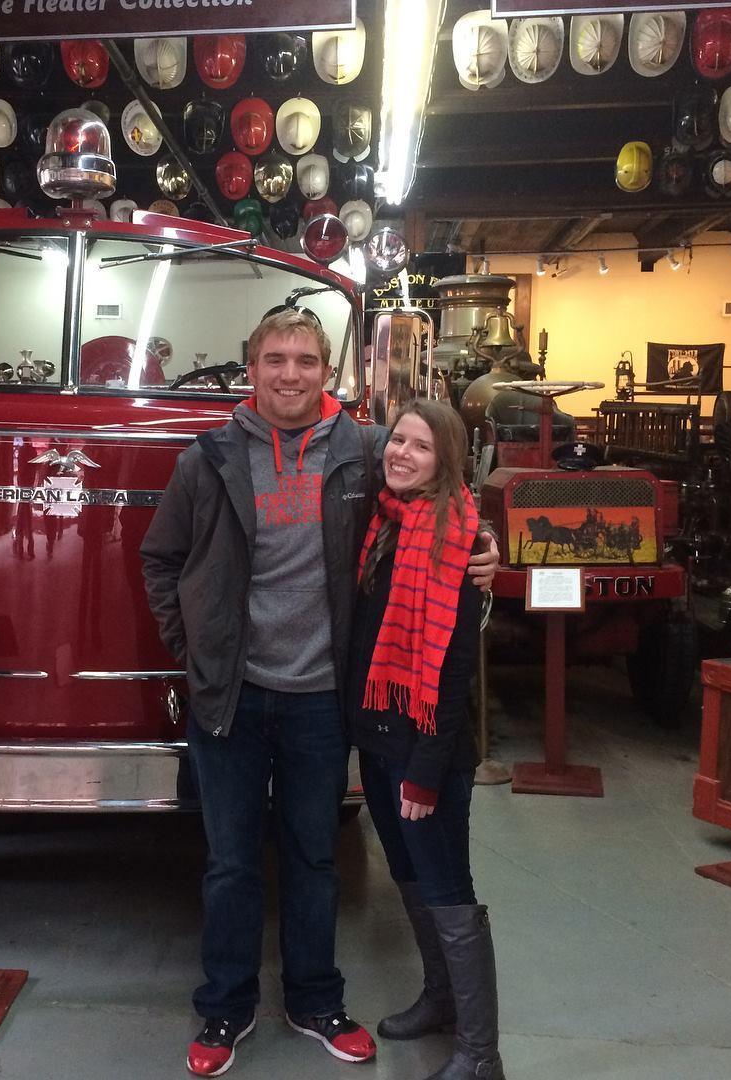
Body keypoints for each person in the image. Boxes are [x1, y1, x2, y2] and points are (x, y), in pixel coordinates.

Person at [141, 310, 498, 1077]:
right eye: (275, 358)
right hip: (232, 697)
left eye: (306, 359)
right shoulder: (207, 459)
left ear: (327, 370)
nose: (291, 374)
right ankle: (225, 1008)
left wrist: (483, 549)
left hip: (321, 701)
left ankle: (315, 1000)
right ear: (251, 367)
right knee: (232, 863)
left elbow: (435, 493)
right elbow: (160, 560)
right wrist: (195, 650)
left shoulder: (364, 450)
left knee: (313, 858)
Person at [347, 398, 504, 1080]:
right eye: (397, 441)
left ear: (447, 460)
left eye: (421, 446)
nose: (402, 453)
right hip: (380, 739)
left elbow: (455, 668)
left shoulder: (460, 542)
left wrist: (429, 768)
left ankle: (480, 1052)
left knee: (447, 887)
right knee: (410, 877)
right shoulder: (383, 523)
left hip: (425, 748)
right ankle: (440, 1000)